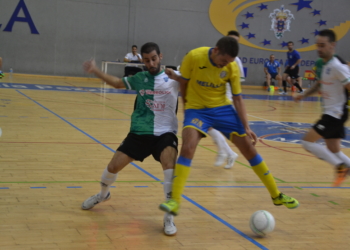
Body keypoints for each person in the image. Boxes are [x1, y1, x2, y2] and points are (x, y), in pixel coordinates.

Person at [159, 36, 299, 216]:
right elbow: (184, 82)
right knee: (188, 146)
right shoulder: (194, 57)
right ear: (216, 50)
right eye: (223, 61)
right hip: (197, 109)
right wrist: (187, 109)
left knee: (249, 148)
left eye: (229, 62)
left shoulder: (231, 67)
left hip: (223, 109)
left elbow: (238, 98)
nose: (224, 65)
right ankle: (175, 201)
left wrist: (246, 127)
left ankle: (276, 195)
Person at [81, 42, 179, 236]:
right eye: (146, 60)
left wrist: (179, 77)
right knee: (112, 168)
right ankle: (103, 195)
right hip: (140, 132)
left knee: (170, 165)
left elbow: (195, 84)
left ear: (160, 56)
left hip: (165, 132)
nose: (150, 63)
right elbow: (117, 83)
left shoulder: (173, 78)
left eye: (153, 59)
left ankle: (169, 213)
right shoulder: (139, 78)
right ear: (142, 60)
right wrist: (96, 71)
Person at [293, 29, 350, 187]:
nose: (319, 48)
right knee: (334, 149)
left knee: (307, 143)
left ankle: (340, 167)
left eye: (322, 45)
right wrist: (303, 95)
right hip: (331, 112)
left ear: (333, 45)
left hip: (335, 114)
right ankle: (345, 166)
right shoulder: (324, 64)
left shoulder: (337, 66)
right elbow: (319, 84)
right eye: (317, 45)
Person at [207, 30, 244, 169]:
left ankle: (225, 152)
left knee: (210, 125)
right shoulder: (216, 56)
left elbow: (237, 86)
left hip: (226, 99)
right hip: (214, 97)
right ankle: (227, 152)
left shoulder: (236, 62)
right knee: (209, 126)